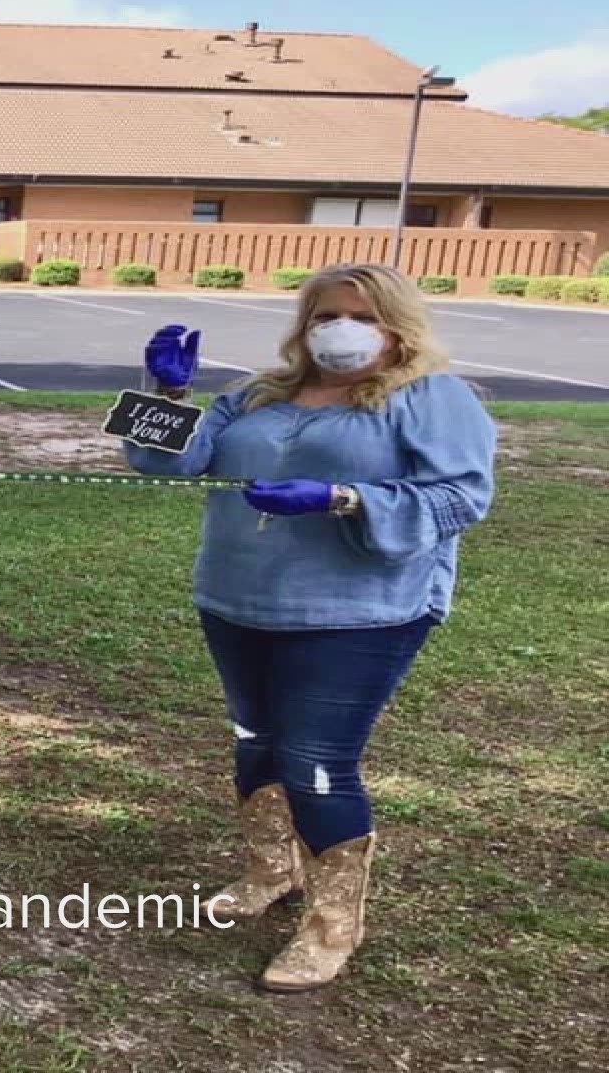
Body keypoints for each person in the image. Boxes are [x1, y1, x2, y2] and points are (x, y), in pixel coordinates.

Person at [124, 263, 495, 992]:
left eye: (360, 315)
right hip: (237, 600)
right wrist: (167, 393)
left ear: (396, 325)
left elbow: (463, 497)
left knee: (317, 761)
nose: (339, 329)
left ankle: (333, 924)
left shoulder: (430, 397)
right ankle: (271, 871)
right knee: (253, 741)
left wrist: (343, 498)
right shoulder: (258, 393)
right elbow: (167, 464)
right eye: (325, 315)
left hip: (359, 613)